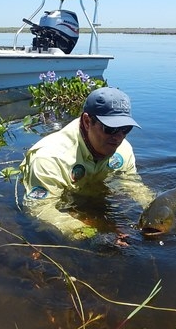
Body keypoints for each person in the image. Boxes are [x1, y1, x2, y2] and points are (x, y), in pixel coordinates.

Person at [19, 87, 154, 240]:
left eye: (125, 129)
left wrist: (156, 208)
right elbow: (39, 208)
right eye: (111, 128)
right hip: (65, 205)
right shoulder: (48, 158)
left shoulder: (123, 149)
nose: (118, 137)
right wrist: (93, 235)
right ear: (87, 121)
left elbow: (131, 183)